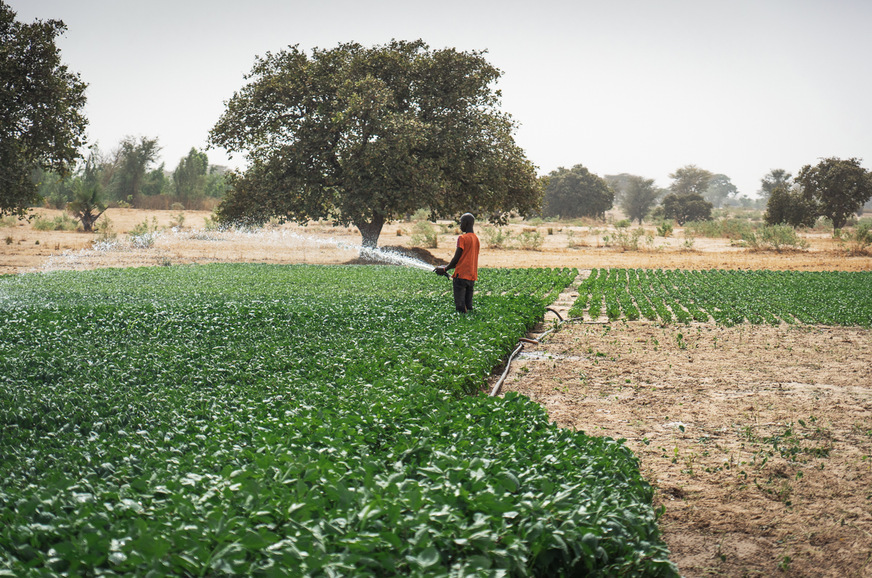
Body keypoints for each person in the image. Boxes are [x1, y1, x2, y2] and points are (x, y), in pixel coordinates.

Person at [435, 213, 480, 313]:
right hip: (471, 276)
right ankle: (471, 325)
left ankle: (463, 325)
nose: (460, 225)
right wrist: (446, 268)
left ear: (466, 223)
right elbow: (466, 258)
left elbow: (457, 258)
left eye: (461, 222)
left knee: (460, 306)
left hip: (461, 277)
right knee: (469, 306)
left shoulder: (462, 238)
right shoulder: (476, 239)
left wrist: (445, 269)